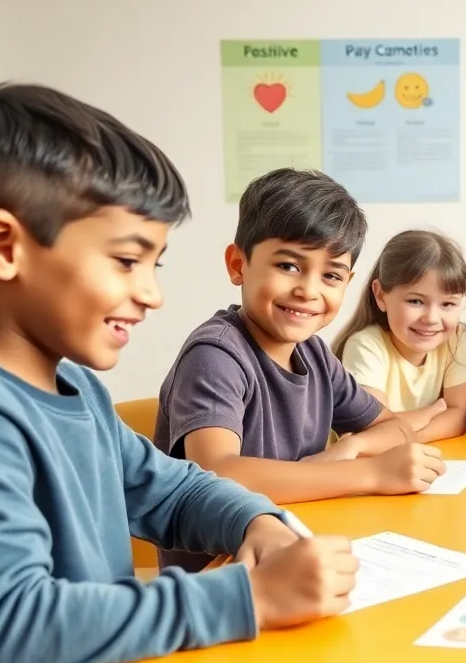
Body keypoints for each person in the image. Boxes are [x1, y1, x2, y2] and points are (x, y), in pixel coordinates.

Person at [0, 84, 355, 663]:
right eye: (127, 261)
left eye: (154, 264)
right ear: (1, 247)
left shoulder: (76, 392)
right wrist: (248, 599)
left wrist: (255, 522)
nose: (152, 294)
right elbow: (9, 632)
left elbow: (174, 490)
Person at [155, 168, 443, 571]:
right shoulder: (216, 354)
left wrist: (350, 448)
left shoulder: (313, 353)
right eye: (289, 266)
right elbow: (217, 473)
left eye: (330, 275)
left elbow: (394, 426)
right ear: (238, 264)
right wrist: (371, 473)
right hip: (221, 576)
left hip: (296, 546)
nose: (309, 290)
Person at [334, 230, 466, 443]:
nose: (431, 318)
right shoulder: (365, 345)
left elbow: (458, 417)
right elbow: (369, 430)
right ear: (381, 295)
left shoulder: (456, 339)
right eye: (416, 301)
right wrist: (427, 414)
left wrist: (400, 432)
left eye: (447, 304)